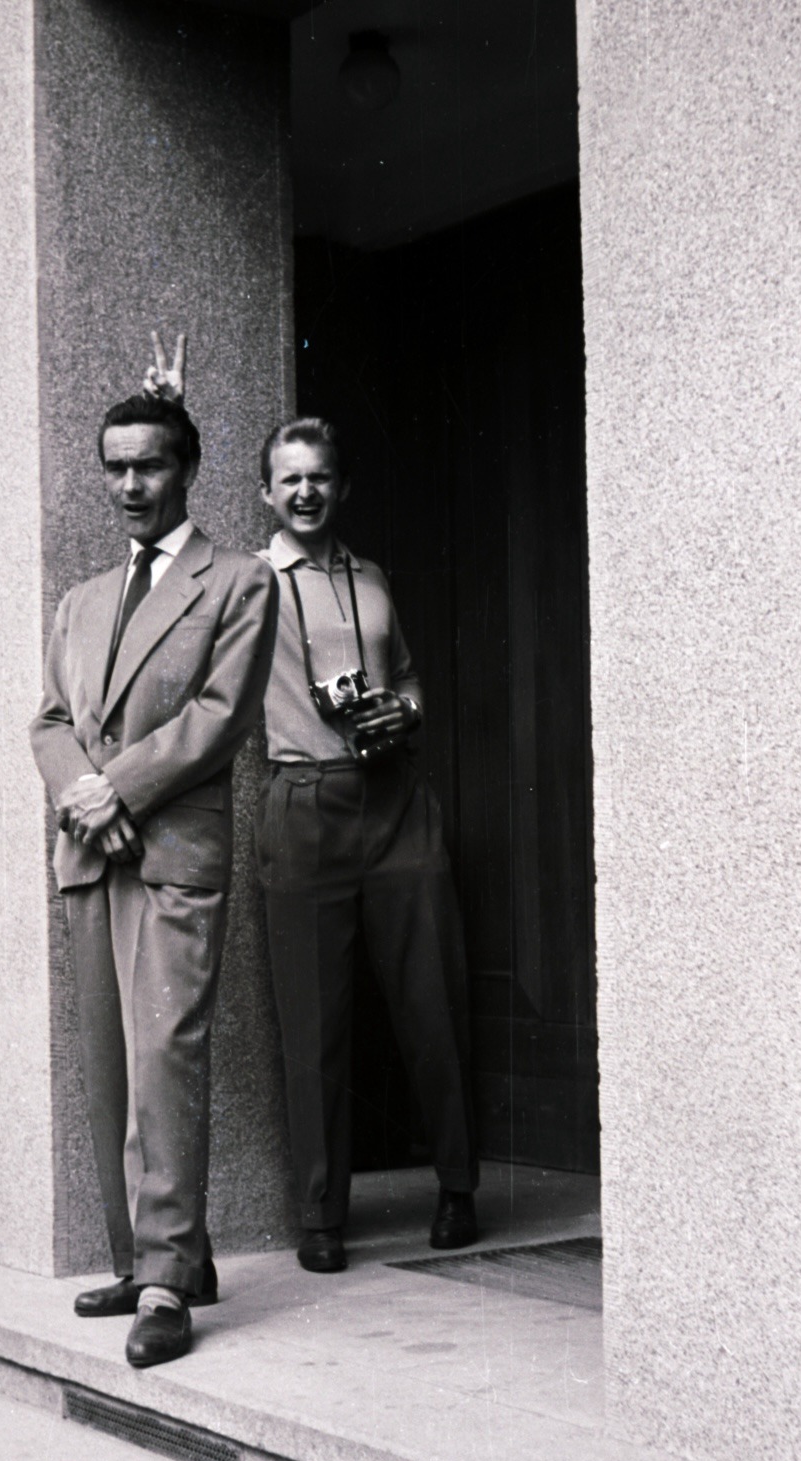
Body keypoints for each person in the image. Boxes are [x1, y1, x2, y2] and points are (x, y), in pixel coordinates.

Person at [29, 353, 278, 1365]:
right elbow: (49, 721)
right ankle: (148, 1255)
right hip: (95, 854)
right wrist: (82, 798)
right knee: (109, 1060)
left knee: (166, 1056)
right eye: (115, 468)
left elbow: (220, 719)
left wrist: (115, 791)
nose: (130, 485)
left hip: (170, 850)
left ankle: (169, 1284)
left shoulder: (240, 582)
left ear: (188, 471)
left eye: (150, 466)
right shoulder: (82, 601)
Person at [252, 417, 479, 1272]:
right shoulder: (247, 584)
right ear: (265, 493)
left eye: (320, 476)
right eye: (289, 479)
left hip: (392, 802)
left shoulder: (372, 577)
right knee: (313, 1020)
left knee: (432, 996)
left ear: (340, 487)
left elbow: (410, 672)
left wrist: (408, 708)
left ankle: (457, 1186)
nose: (305, 491)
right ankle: (320, 1213)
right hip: (304, 803)